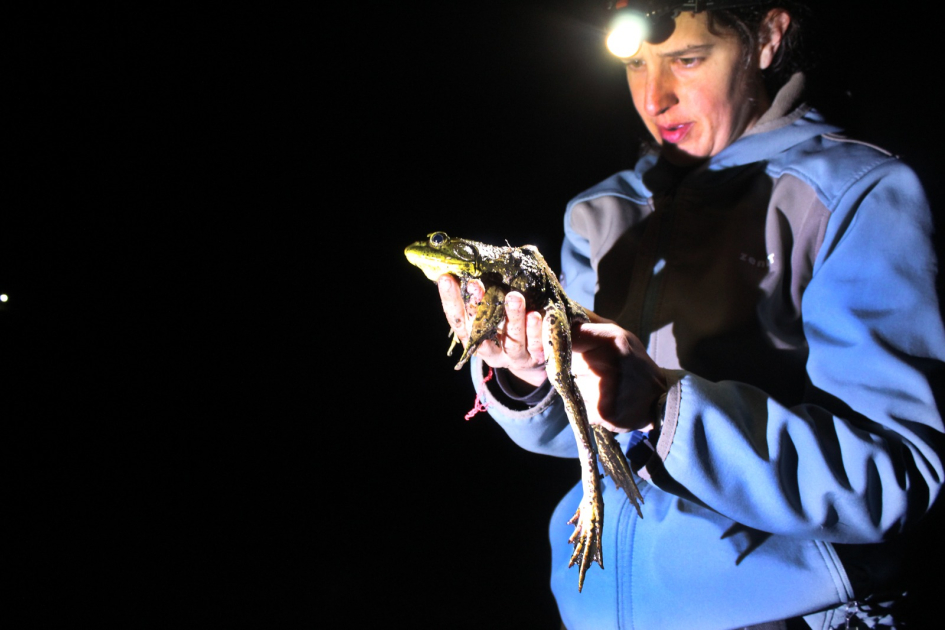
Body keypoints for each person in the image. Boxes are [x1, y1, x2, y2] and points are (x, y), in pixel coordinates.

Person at [435, 1, 944, 628]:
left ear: (766, 38)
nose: (656, 98)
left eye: (688, 60)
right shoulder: (601, 212)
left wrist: (665, 407)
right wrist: (529, 373)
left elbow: (894, 478)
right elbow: (580, 436)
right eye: (634, 65)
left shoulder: (852, 193)